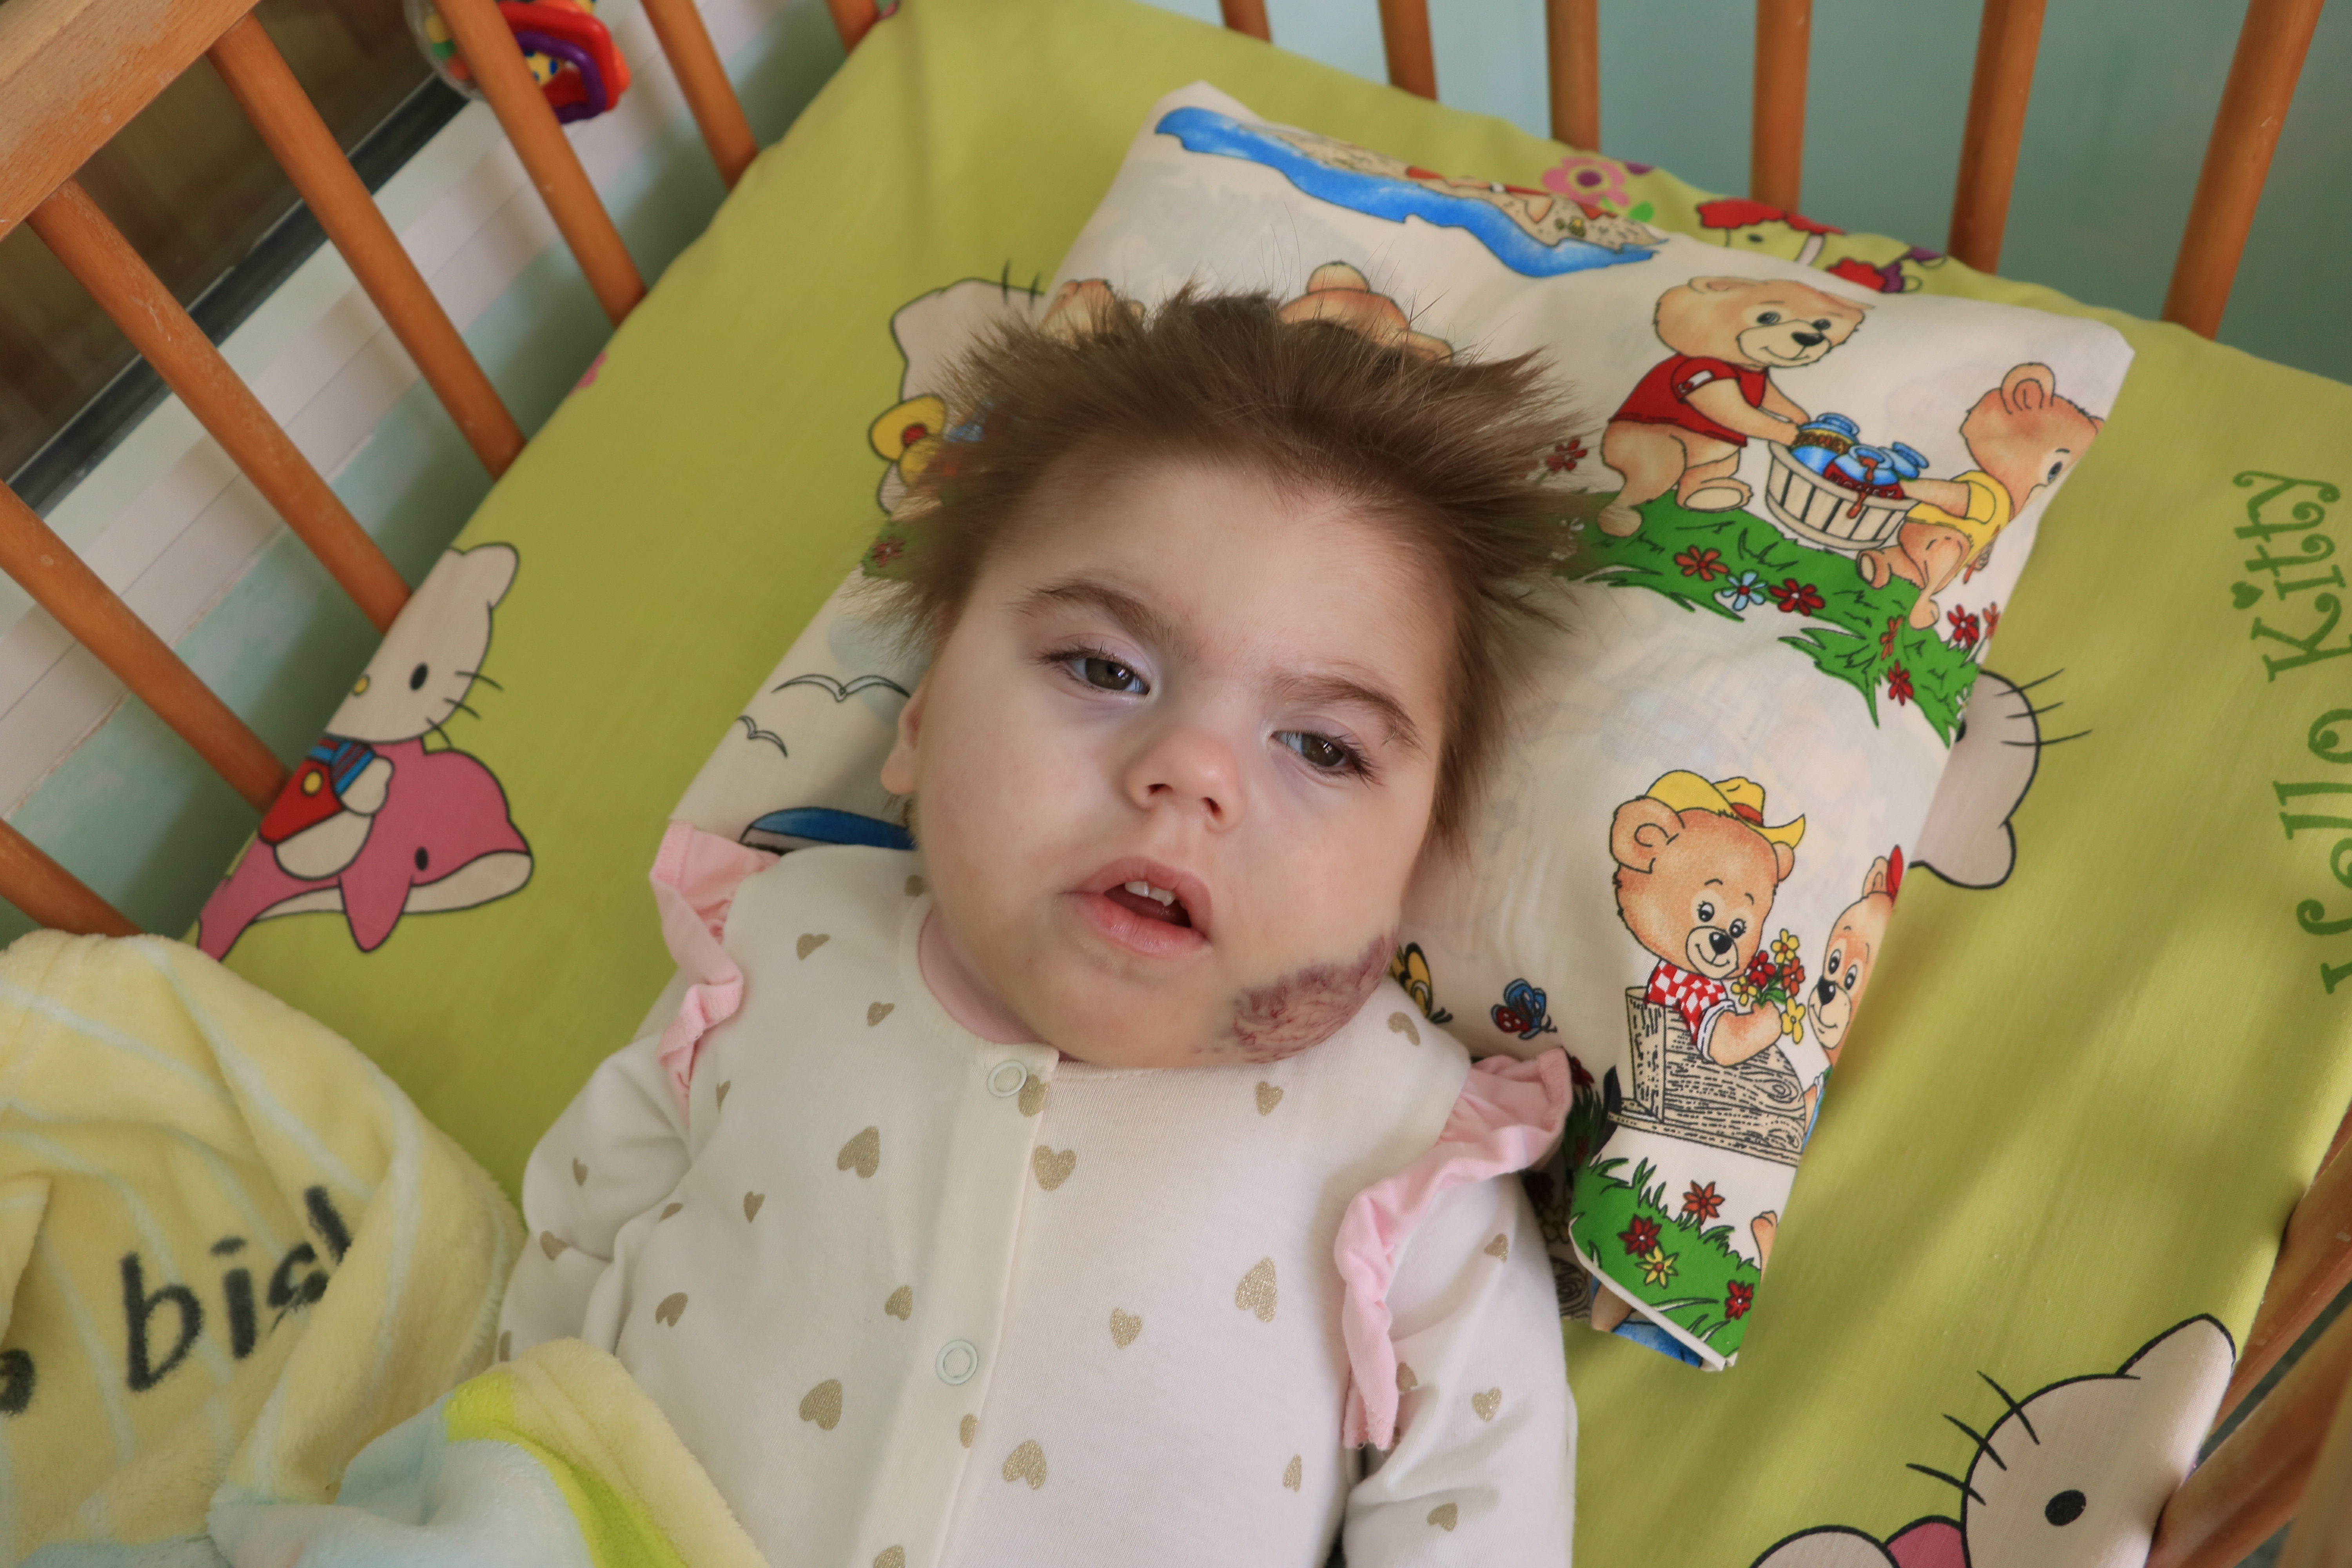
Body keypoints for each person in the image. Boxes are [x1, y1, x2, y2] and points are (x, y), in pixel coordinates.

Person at [500, 285, 1582, 1566]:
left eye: (1321, 747)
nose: (1190, 770)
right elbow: (573, 1251)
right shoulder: (777, 946)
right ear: (918, 722)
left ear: (1414, 877)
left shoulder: (1404, 1141)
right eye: (1103, 669)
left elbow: (1483, 1509)